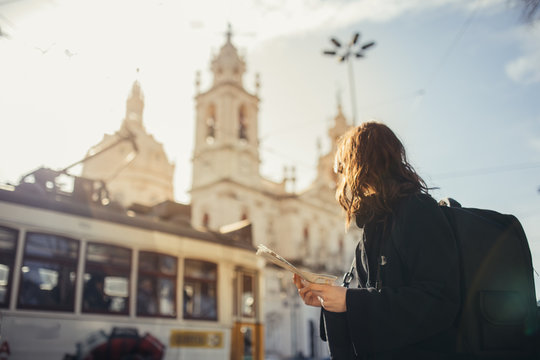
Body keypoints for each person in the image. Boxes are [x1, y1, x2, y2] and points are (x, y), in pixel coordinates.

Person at [294, 121, 460, 359]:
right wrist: (330, 302)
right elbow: (369, 317)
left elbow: (439, 301)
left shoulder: (417, 211)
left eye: (345, 167)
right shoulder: (370, 232)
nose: (342, 178)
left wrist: (349, 301)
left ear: (363, 164)